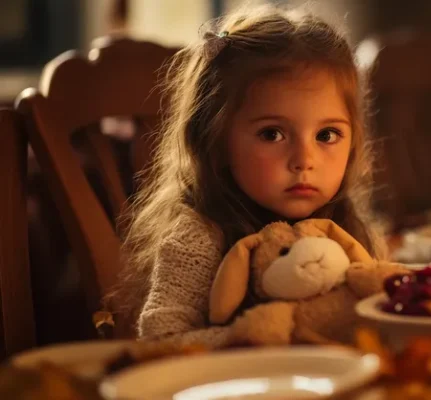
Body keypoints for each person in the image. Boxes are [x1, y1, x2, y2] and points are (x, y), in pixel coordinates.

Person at [108, 1, 386, 346]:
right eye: (272, 134)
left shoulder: (344, 221)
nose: (304, 160)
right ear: (217, 142)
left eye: (326, 135)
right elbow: (162, 339)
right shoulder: (198, 236)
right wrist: (273, 334)